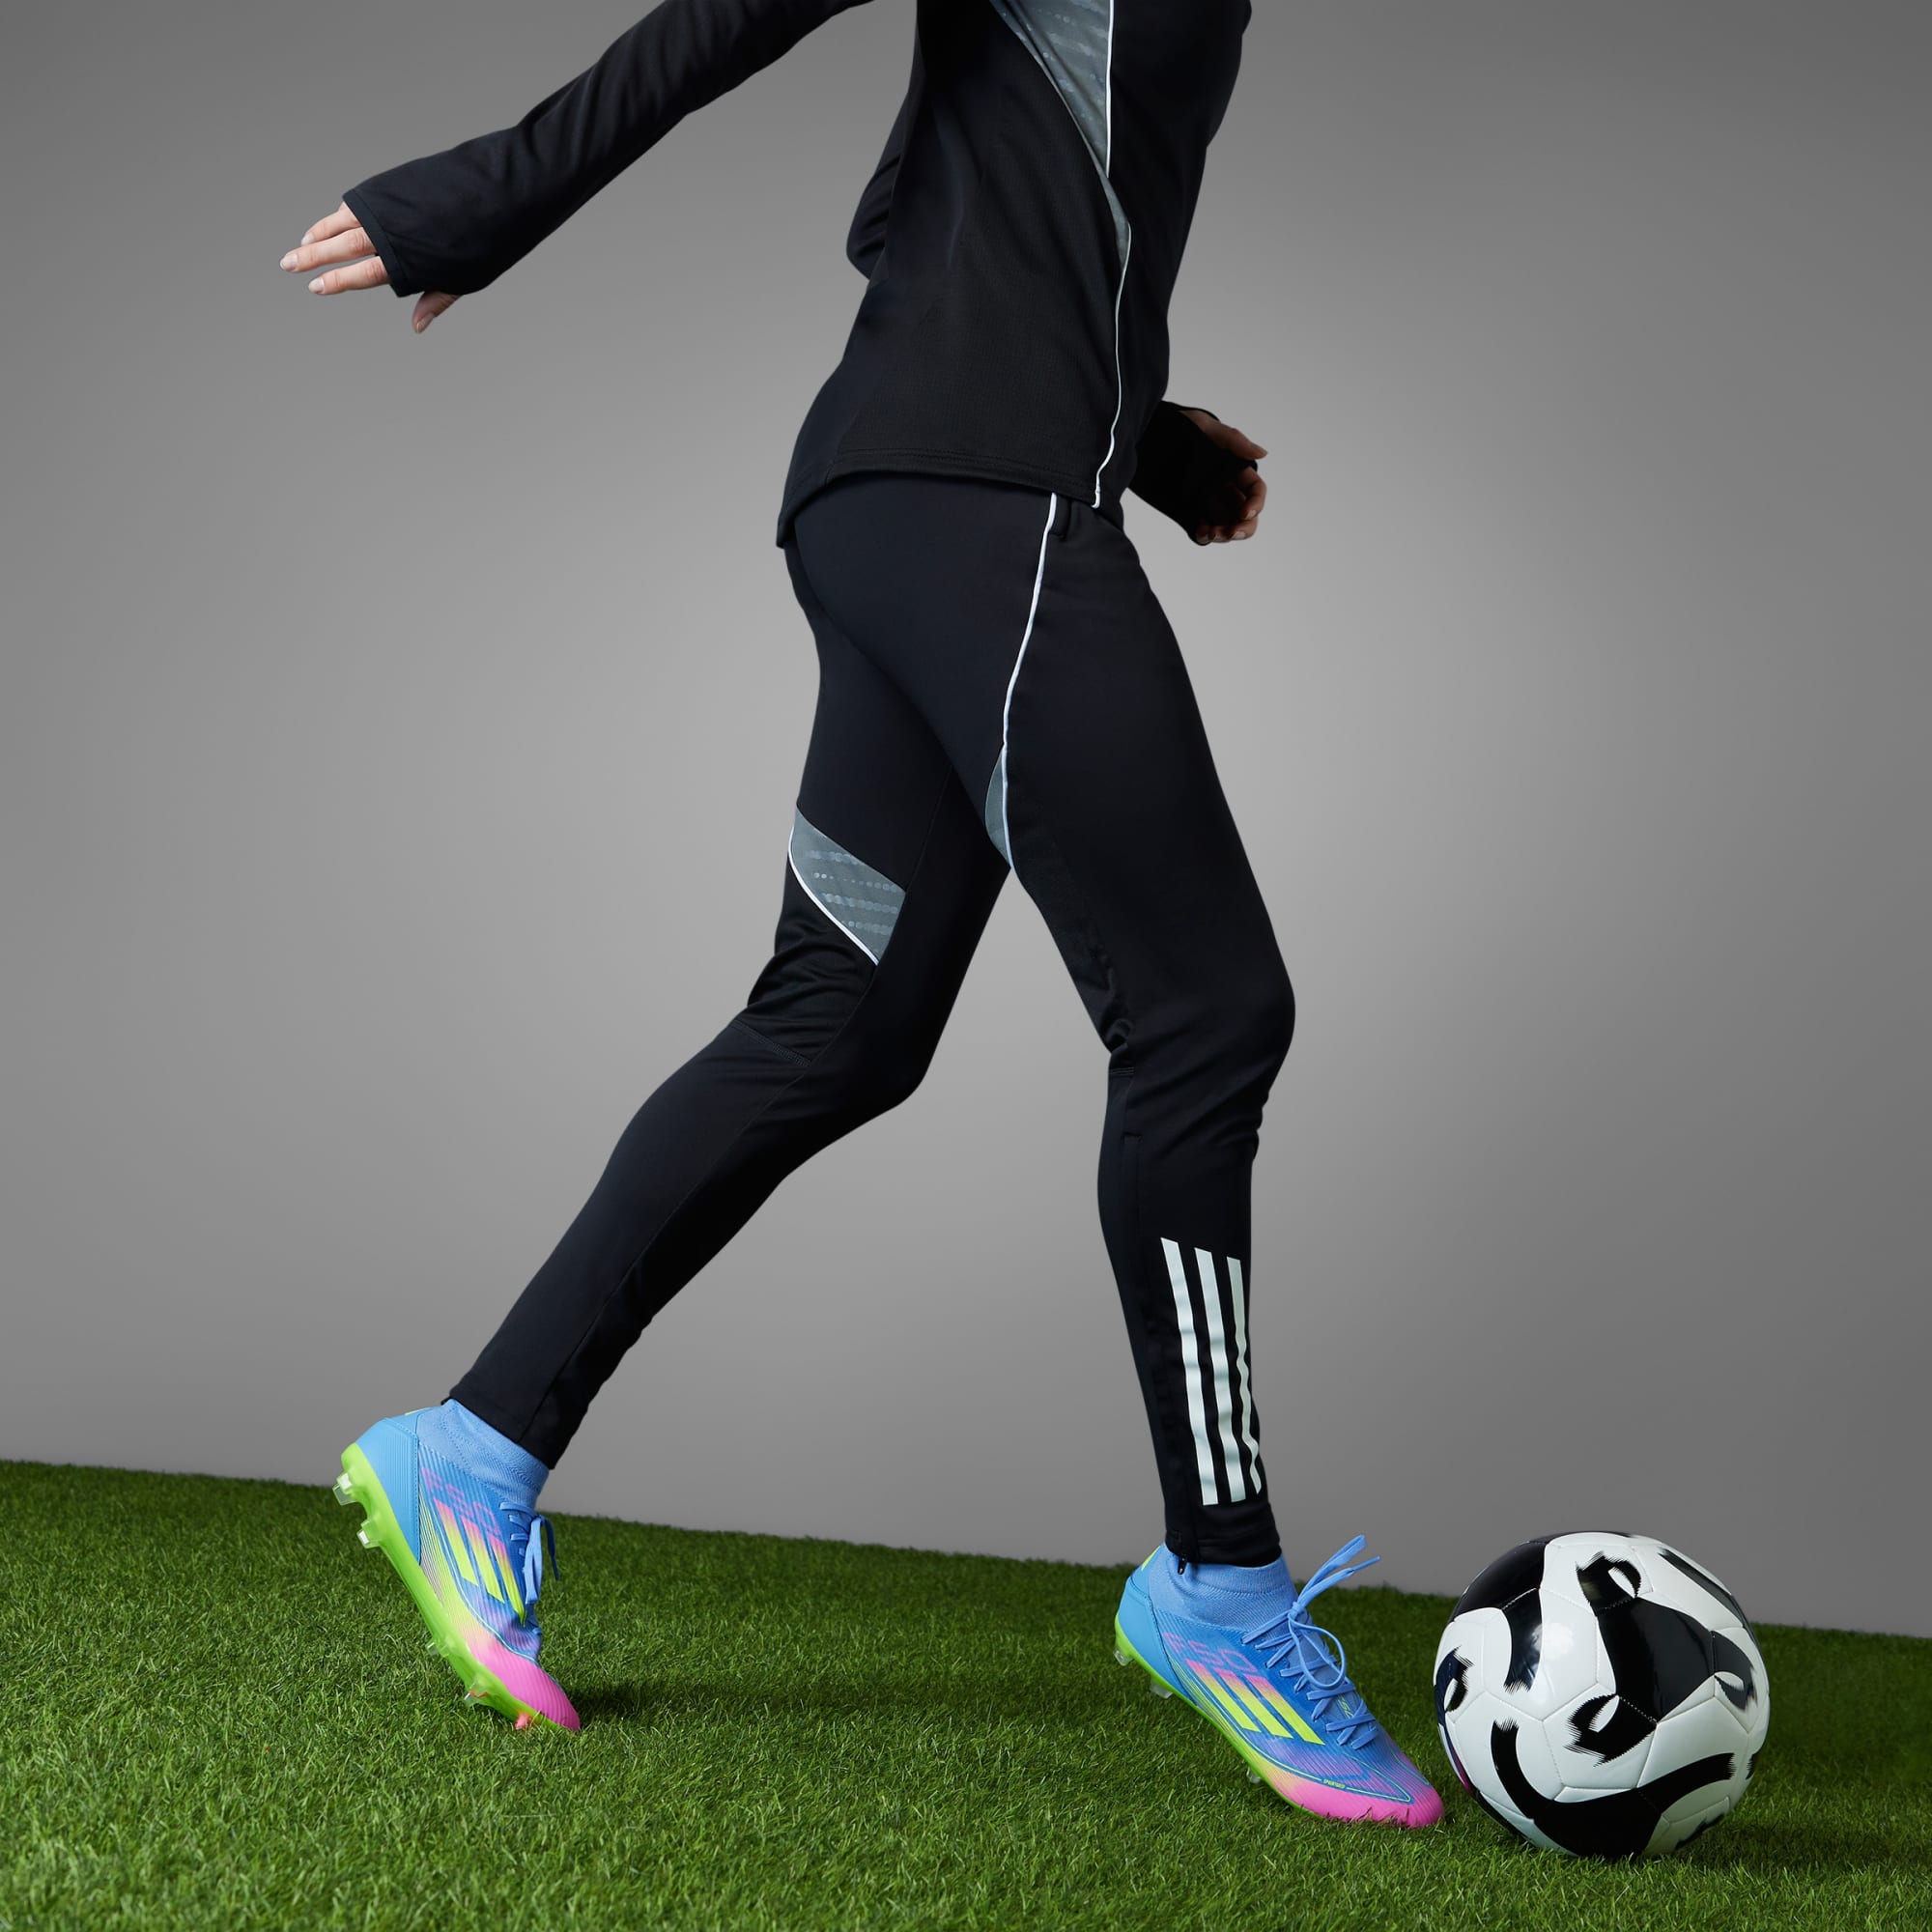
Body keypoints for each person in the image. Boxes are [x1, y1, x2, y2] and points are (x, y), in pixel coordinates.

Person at [287, 0, 1442, 1827]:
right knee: (1209, 1016)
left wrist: (1137, 431)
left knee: (837, 1027)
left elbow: (957, 208)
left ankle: (473, 1448)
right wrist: (488, 197)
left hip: (926, 500)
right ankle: (1221, 1585)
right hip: (977, 512)